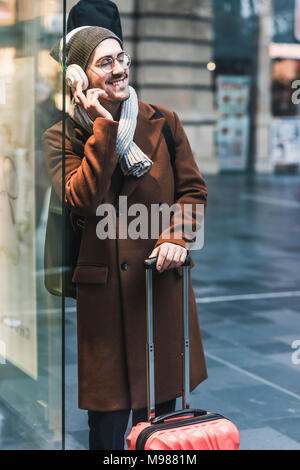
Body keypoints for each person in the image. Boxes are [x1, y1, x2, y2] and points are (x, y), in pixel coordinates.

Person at [43, 26, 208, 450]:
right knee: (109, 427)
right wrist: (103, 126)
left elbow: (192, 191)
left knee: (163, 423)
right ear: (78, 76)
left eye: (122, 59)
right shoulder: (63, 137)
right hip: (107, 300)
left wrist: (177, 236)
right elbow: (81, 199)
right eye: (105, 62)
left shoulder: (163, 122)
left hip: (158, 286)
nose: (119, 70)